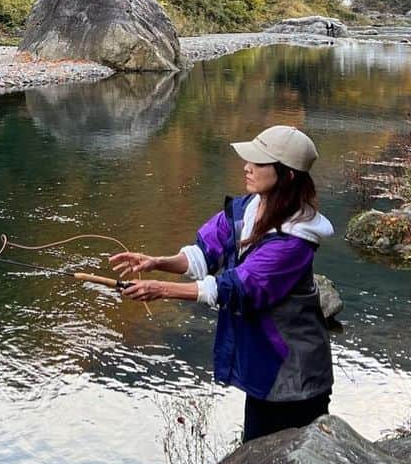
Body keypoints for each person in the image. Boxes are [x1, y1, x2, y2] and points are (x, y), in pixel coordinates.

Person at [109, 124, 334, 443]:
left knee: (276, 461)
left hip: (294, 374)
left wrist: (161, 289)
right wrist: (157, 262)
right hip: (265, 364)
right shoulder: (248, 209)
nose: (247, 167)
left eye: (258, 162)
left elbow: (236, 287)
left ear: (288, 175)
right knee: (256, 455)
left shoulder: (293, 243)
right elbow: (204, 253)